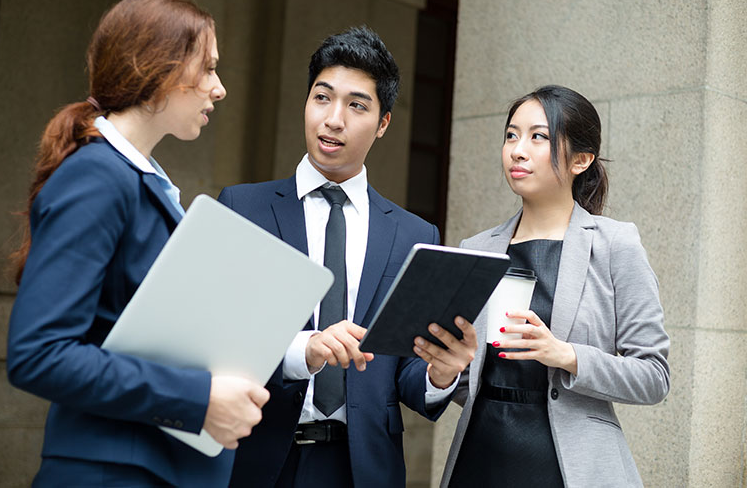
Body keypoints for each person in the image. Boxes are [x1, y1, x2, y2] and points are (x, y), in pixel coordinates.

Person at [7, 0, 269, 487]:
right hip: (113, 472)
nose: (220, 88)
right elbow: (38, 354)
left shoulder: (139, 179)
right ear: (161, 68)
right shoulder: (97, 177)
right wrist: (200, 399)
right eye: (208, 68)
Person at [217, 26, 478, 487]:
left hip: (363, 469)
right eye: (322, 97)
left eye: (357, 105)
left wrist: (440, 375)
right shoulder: (243, 209)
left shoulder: (413, 234)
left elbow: (405, 373)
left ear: (383, 124)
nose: (333, 119)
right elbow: (215, 340)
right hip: (255, 460)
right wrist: (304, 349)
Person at [436, 85, 670, 487]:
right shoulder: (476, 249)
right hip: (481, 456)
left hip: (571, 466)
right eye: (511, 134)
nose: (518, 150)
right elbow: (466, 380)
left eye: (537, 136)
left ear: (581, 159)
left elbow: (654, 376)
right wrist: (446, 373)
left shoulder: (614, 244)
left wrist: (565, 355)